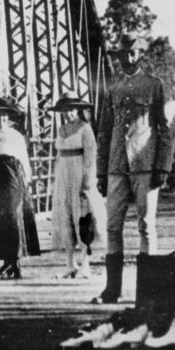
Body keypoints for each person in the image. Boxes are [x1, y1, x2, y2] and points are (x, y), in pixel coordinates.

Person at [93, 33, 175, 304]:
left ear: (140, 54)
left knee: (146, 226)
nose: (128, 58)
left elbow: (167, 129)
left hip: (144, 166)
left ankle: (148, 292)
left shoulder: (155, 86)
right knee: (112, 227)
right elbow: (104, 133)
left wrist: (162, 168)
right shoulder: (113, 90)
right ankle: (112, 290)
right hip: (117, 166)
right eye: (123, 54)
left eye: (133, 53)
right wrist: (102, 172)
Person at [0, 97, 41, 279]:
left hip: (13, 177)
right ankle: (9, 262)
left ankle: (14, 261)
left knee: (13, 216)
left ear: (9, 117)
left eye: (5, 115)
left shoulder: (16, 137)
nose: (1, 119)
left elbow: (24, 160)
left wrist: (27, 180)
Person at [48, 95, 99, 280]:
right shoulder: (61, 129)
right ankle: (70, 265)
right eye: (64, 110)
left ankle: (86, 264)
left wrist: (88, 179)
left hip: (79, 173)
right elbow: (58, 156)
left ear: (76, 110)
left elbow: (91, 156)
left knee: (83, 218)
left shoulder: (85, 129)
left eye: (70, 109)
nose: (67, 113)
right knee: (65, 217)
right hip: (63, 174)